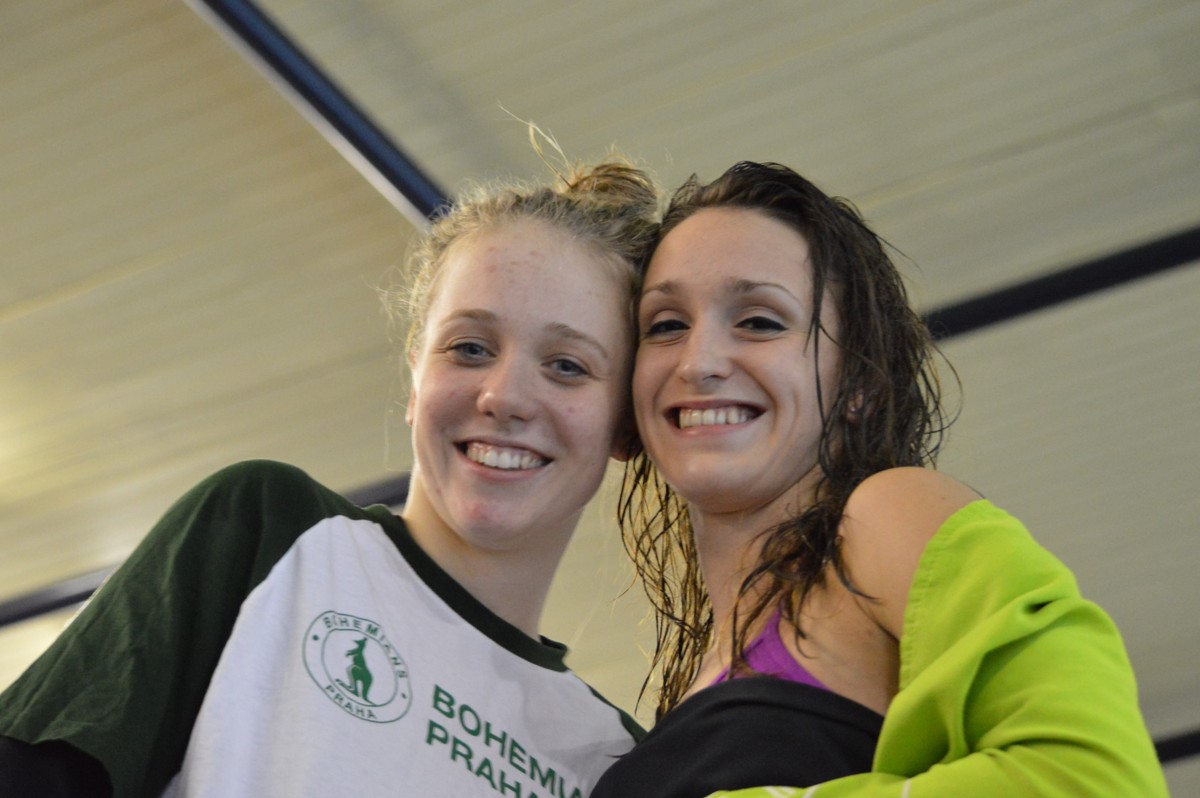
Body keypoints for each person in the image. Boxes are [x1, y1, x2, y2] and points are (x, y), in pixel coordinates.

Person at [0, 149, 659, 797]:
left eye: (567, 365)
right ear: (416, 374)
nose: (503, 396)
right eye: (469, 348)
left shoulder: (617, 763)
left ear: (627, 425)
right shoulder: (270, 533)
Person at [591, 162, 1168, 797]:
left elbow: (1094, 781)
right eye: (666, 325)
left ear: (859, 383)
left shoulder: (886, 516)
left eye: (760, 321)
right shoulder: (681, 694)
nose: (698, 362)